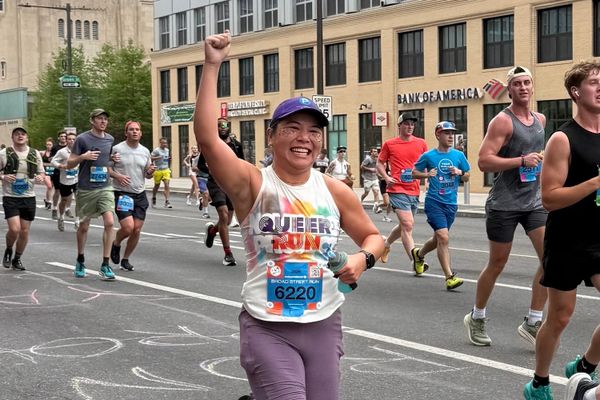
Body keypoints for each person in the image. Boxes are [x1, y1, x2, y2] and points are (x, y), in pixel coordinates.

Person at [194, 31, 384, 400]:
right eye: (293, 128)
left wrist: (364, 258)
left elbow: (374, 238)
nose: (304, 138)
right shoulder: (252, 183)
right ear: (272, 136)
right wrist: (212, 65)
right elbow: (207, 139)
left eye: (314, 131)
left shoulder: (334, 190)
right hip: (267, 325)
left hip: (323, 323)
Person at [523, 60, 600, 400]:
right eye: (594, 82)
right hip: (568, 239)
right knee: (560, 317)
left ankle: (584, 366)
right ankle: (538, 383)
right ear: (575, 92)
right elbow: (550, 199)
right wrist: (596, 182)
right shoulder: (562, 139)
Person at [464, 66, 548, 348]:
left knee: (551, 260)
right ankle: (476, 317)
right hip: (504, 204)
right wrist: (520, 161)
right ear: (509, 90)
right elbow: (484, 161)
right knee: (498, 263)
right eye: (518, 84)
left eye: (527, 83)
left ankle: (533, 321)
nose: (523, 88)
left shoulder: (540, 119)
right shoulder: (503, 122)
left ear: (532, 87)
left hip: (534, 201)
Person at [412, 121, 470, 290]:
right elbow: (413, 172)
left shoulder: (459, 156)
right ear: (438, 135)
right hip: (434, 202)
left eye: (452, 133)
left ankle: (419, 254)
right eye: (447, 133)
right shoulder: (429, 156)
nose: (451, 136)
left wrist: (459, 173)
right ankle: (449, 277)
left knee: (438, 239)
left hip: (451, 204)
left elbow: (467, 176)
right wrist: (426, 174)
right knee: (444, 238)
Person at [67, 108, 116, 280]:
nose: (103, 121)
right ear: (92, 121)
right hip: (86, 188)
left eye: (105, 119)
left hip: (104, 187)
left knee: (110, 222)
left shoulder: (110, 139)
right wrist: (83, 157)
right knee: (84, 226)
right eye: (100, 118)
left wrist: (113, 161)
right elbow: (69, 164)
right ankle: (80, 259)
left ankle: (105, 264)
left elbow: (106, 162)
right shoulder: (82, 139)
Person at [376, 113, 428, 270]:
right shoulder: (390, 144)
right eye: (406, 123)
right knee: (407, 224)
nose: (410, 126)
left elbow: (426, 164)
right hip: (396, 188)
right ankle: (415, 261)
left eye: (412, 124)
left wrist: (426, 182)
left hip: (413, 189)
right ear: (399, 125)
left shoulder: (421, 143)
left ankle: (386, 244)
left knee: (405, 226)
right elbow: (379, 163)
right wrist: (386, 177)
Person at [109, 121, 155, 272]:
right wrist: (117, 176)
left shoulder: (145, 151)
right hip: (122, 193)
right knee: (128, 228)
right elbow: (106, 167)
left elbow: (147, 175)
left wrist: (150, 172)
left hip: (140, 193)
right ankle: (116, 243)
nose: (135, 132)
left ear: (141, 133)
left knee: (136, 230)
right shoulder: (117, 149)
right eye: (131, 130)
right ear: (126, 132)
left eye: (137, 130)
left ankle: (125, 259)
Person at [201, 116, 245, 266]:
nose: (223, 128)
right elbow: (201, 165)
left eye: (226, 125)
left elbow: (242, 163)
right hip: (216, 183)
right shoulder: (211, 145)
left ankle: (213, 231)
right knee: (224, 213)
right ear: (216, 128)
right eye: (220, 125)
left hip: (231, 184)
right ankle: (228, 253)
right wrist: (211, 169)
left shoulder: (236, 145)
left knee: (226, 219)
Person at [0, 127, 45, 271]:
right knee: (14, 229)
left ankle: (17, 258)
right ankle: (8, 249)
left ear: (27, 137)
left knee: (24, 231)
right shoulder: (4, 153)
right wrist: (3, 176)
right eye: (17, 134)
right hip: (10, 196)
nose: (20, 136)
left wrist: (40, 177)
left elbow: (42, 173)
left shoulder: (34, 153)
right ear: (12, 137)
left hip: (28, 197)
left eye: (23, 134)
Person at [50, 132, 79, 232]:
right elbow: (53, 161)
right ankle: (61, 217)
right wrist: (60, 166)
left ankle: (77, 220)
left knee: (79, 200)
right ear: (66, 140)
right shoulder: (62, 152)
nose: (72, 141)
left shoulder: (79, 150)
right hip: (65, 180)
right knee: (64, 200)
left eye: (73, 139)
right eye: (69, 139)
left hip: (77, 178)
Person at [50, 131, 68, 219]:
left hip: (69, 173)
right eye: (61, 136)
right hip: (58, 171)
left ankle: (67, 209)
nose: (63, 138)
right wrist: (59, 163)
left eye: (65, 136)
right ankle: (54, 208)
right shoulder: (55, 147)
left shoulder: (71, 147)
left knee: (68, 193)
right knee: (57, 191)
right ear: (58, 138)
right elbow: (51, 159)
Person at [151, 137, 172, 209]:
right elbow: (151, 158)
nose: (165, 144)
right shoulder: (156, 150)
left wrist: (169, 162)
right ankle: (154, 197)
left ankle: (167, 201)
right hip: (158, 170)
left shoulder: (167, 150)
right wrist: (158, 157)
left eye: (166, 143)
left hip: (166, 169)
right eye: (163, 143)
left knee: (167, 184)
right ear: (160, 143)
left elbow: (169, 158)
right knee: (157, 185)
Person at [360, 147, 382, 213]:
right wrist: (369, 169)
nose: (376, 152)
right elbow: (362, 166)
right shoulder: (368, 159)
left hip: (375, 178)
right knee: (366, 192)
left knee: (376, 192)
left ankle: (377, 207)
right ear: (371, 153)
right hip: (367, 178)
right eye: (374, 151)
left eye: (376, 151)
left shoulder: (378, 159)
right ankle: (361, 201)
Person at [192, 145, 211, 219]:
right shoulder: (197, 158)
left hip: (210, 179)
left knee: (210, 197)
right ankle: (206, 212)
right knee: (206, 194)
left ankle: (202, 201)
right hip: (201, 178)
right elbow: (193, 168)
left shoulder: (211, 157)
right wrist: (203, 169)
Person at [41, 137, 54, 210]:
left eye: (50, 144)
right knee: (49, 186)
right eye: (47, 144)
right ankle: (49, 201)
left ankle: (47, 200)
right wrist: (47, 164)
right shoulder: (43, 153)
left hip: (53, 172)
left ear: (52, 145)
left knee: (51, 187)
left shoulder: (55, 153)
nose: (48, 146)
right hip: (46, 172)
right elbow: (40, 163)